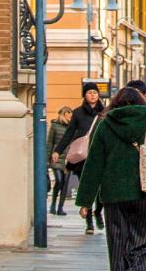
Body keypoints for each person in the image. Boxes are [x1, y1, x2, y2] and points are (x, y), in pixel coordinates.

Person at [75, 86, 146, 270]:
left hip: (114, 196)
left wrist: (85, 201)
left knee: (117, 246)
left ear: (115, 103)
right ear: (141, 102)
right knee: (143, 245)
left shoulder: (105, 124)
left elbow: (94, 164)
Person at [64, 83, 108, 233]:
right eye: (89, 92)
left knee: (101, 189)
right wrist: (58, 151)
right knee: (88, 187)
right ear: (84, 95)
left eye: (95, 92)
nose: (92, 95)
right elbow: (69, 133)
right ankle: (89, 222)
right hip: (83, 157)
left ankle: (98, 212)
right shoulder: (77, 113)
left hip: (101, 156)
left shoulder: (105, 113)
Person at [47, 107, 75, 215]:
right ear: (64, 114)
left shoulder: (72, 128)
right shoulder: (54, 126)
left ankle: (60, 207)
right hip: (56, 158)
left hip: (68, 159)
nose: (70, 117)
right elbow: (49, 143)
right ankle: (53, 204)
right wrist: (46, 160)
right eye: (69, 115)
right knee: (59, 181)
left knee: (64, 183)